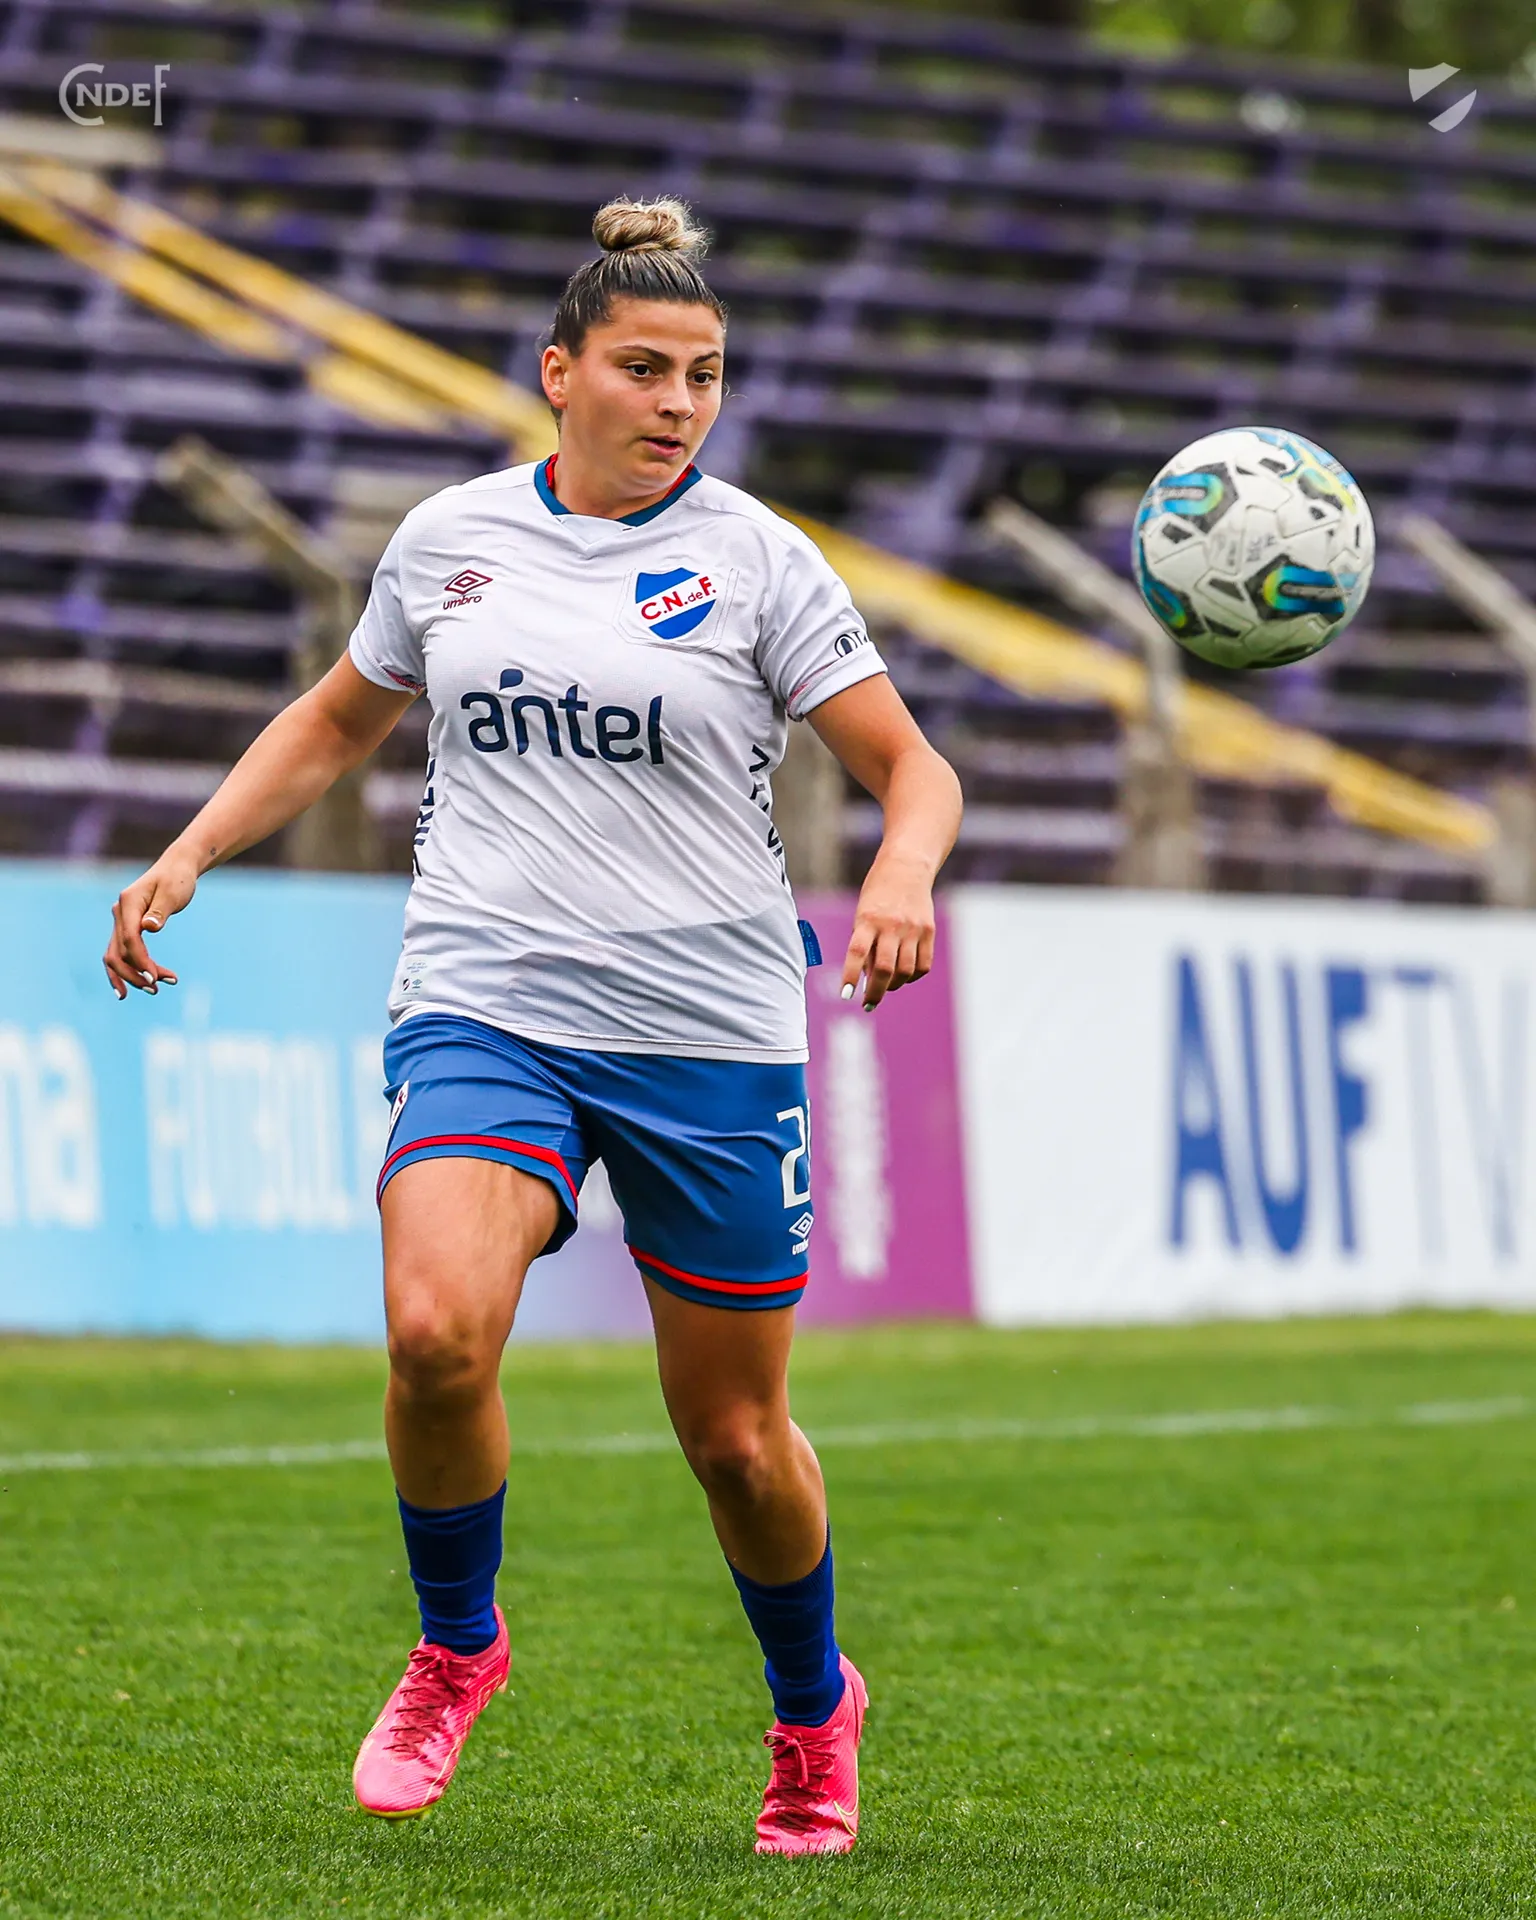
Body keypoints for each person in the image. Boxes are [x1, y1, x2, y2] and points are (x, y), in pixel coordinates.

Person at [103, 196, 962, 1855]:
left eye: (704, 375)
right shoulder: (452, 541)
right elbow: (337, 718)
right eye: (644, 368)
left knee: (735, 1441)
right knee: (435, 1334)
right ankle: (456, 1644)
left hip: (709, 1033)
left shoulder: (759, 560)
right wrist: (193, 849)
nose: (679, 402)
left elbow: (910, 767)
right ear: (559, 372)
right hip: (488, 1000)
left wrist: (903, 872)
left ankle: (812, 1711)